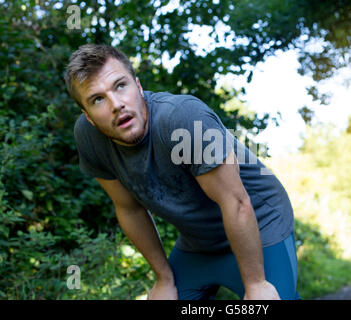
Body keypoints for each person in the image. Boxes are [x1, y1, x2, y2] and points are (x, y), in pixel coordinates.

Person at [65, 44, 301, 300]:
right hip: (198, 243)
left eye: (120, 85)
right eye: (97, 99)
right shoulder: (89, 139)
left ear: (138, 86)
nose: (116, 104)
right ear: (87, 116)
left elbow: (235, 202)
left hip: (260, 222)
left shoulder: (183, 119)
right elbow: (129, 209)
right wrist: (163, 279)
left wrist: (256, 284)